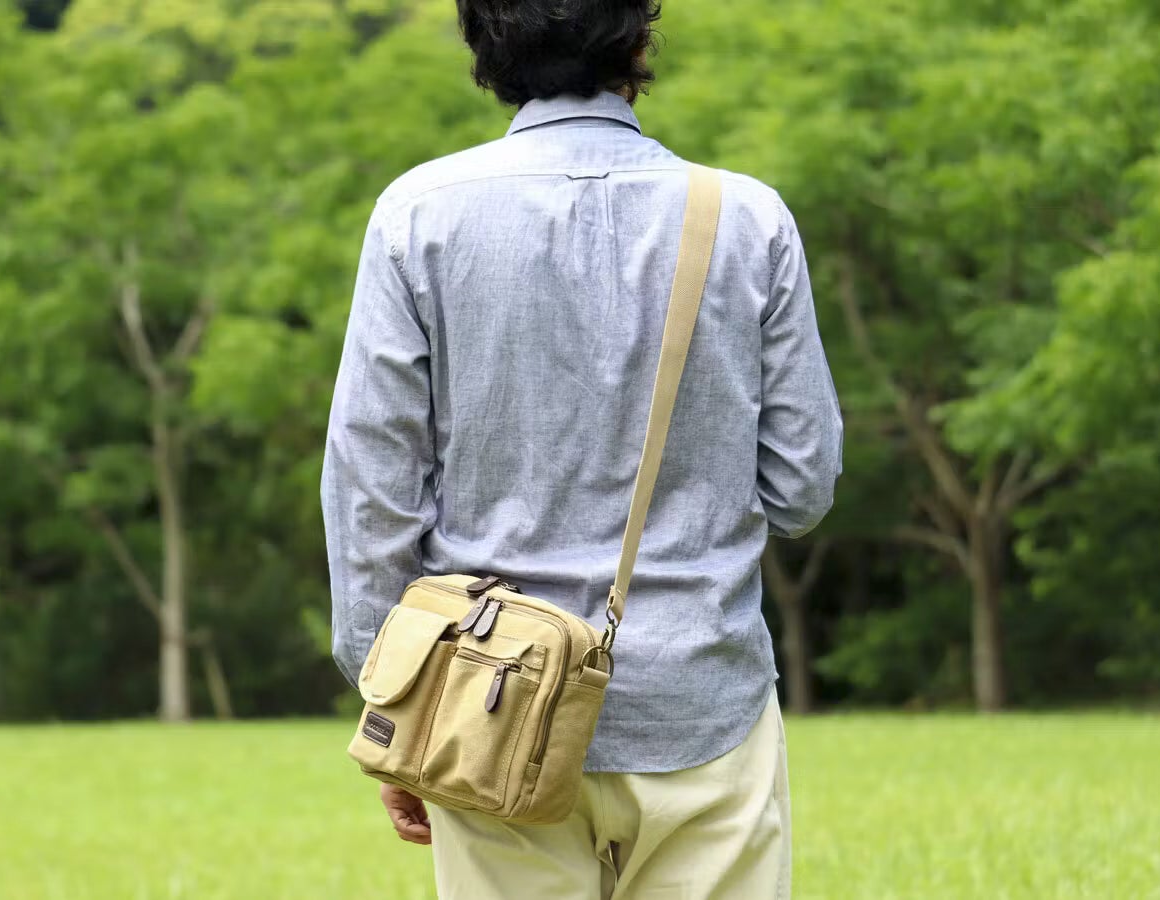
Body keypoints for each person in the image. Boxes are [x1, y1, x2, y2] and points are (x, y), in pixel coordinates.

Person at [322, 1, 843, 896]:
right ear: (637, 41)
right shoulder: (748, 218)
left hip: (485, 705)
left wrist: (399, 701)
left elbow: (371, 488)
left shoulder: (418, 216)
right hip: (701, 697)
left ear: (485, 49)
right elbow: (802, 488)